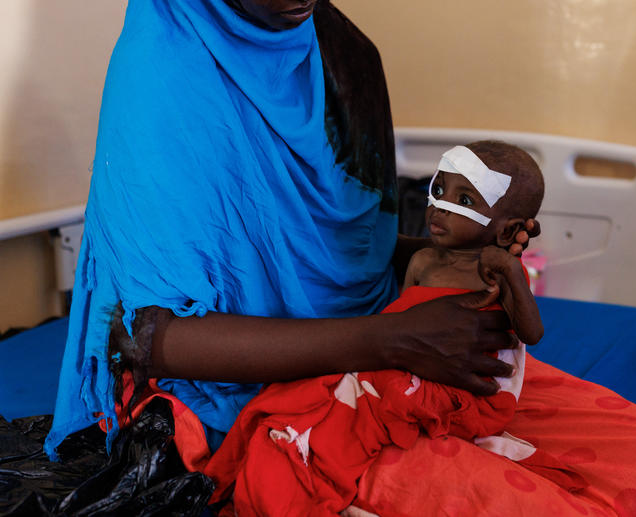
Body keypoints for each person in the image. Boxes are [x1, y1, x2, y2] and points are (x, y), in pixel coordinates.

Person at [46, 0, 636, 516]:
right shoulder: (164, 88)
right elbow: (147, 340)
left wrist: (463, 257)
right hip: (237, 394)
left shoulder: (341, 55)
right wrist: (390, 337)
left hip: (385, 352)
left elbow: (347, 248)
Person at [205, 140, 595, 515]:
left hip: (462, 384)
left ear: (508, 232)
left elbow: (532, 334)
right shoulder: (423, 261)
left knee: (338, 409)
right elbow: (400, 321)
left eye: (463, 201)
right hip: (405, 359)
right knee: (294, 396)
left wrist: (513, 273)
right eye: (438, 189)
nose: (439, 208)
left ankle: (309, 460)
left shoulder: (495, 275)